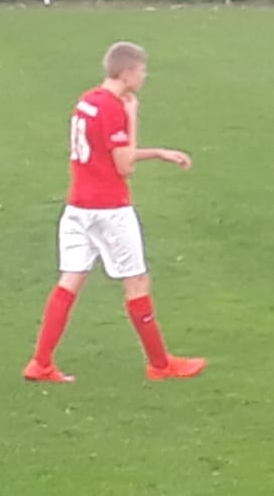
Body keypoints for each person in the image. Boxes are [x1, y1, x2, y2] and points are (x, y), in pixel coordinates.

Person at [24, 41, 205, 383]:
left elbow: (99, 151)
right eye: (142, 71)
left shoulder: (87, 101)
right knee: (136, 281)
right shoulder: (112, 108)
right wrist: (137, 124)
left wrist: (150, 145)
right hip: (108, 209)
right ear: (127, 72)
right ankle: (160, 365)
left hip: (77, 207)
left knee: (70, 279)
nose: (144, 76)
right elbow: (124, 165)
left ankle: (40, 362)